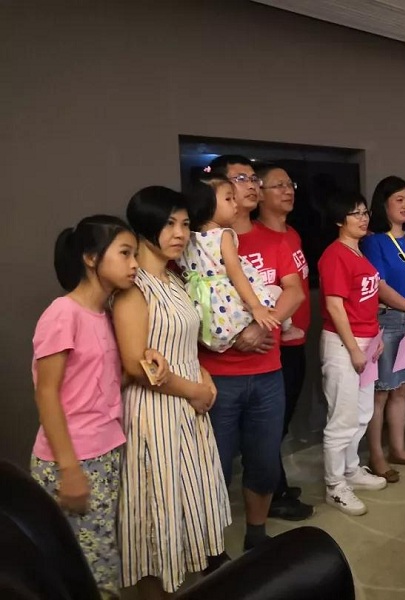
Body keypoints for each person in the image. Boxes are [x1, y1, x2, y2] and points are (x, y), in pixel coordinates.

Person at [30, 216, 166, 598]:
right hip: (72, 457)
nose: (134, 264)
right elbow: (46, 394)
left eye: (135, 255)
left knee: (102, 559)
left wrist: (146, 360)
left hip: (106, 451)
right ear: (91, 258)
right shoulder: (62, 313)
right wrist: (69, 469)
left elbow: (102, 385)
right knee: (84, 570)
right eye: (125, 254)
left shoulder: (105, 315)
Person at [113, 187, 231, 597]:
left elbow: (181, 345)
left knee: (184, 508)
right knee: (158, 514)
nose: (180, 233)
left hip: (185, 409)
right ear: (145, 226)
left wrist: (204, 377)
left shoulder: (174, 279)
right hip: (155, 413)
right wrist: (194, 390)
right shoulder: (135, 288)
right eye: (169, 224)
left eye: (184, 224)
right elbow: (136, 365)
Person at [201, 155, 305, 546]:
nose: (250, 185)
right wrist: (236, 334)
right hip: (218, 377)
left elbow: (294, 290)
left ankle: (256, 535)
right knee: (215, 465)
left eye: (252, 178)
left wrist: (263, 324)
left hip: (267, 370)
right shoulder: (198, 242)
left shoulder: (274, 238)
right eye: (239, 178)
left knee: (263, 461)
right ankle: (210, 548)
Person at [253, 162, 314, 520]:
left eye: (290, 184)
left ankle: (277, 483)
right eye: (278, 185)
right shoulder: (251, 237)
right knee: (270, 424)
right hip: (271, 347)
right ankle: (272, 493)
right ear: (258, 193)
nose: (288, 190)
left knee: (283, 420)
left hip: (296, 343)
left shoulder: (292, 234)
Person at [319, 191, 386, 515]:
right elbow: (335, 306)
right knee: (341, 419)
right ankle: (335, 486)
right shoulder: (335, 255)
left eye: (365, 212)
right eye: (355, 213)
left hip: (366, 341)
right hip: (344, 344)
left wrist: (375, 337)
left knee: (362, 414)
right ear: (339, 220)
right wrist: (354, 349)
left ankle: (351, 470)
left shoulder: (358, 252)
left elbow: (366, 301)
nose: (363, 218)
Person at [361, 176, 405, 483]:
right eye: (398, 199)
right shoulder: (374, 241)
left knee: (403, 388)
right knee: (381, 392)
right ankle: (377, 455)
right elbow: (379, 285)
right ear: (384, 204)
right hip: (388, 319)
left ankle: (398, 449)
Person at [177, 175, 293, 352]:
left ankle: (236, 338)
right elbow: (235, 272)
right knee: (275, 290)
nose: (235, 204)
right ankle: (287, 328)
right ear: (208, 204)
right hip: (228, 304)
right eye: (228, 199)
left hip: (208, 315)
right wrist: (256, 306)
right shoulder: (223, 235)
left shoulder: (188, 239)